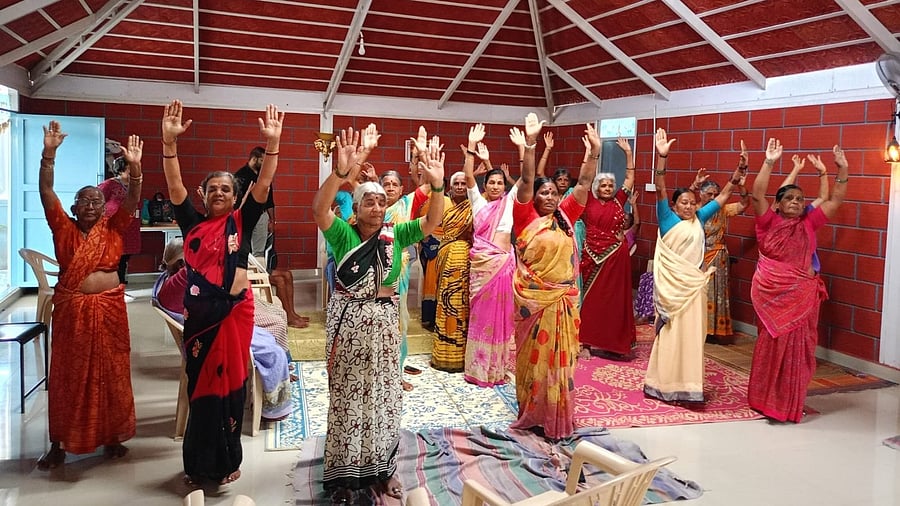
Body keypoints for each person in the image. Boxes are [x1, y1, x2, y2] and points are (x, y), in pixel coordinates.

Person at [312, 124, 446, 503]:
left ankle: (384, 470)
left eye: (380, 202)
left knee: (385, 398)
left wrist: (435, 187)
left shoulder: (395, 235)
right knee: (348, 399)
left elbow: (431, 223)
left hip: (385, 327)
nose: (375, 206)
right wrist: (339, 174)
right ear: (355, 209)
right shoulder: (342, 235)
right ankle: (342, 475)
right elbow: (319, 208)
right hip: (349, 328)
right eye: (368, 201)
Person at [161, 99, 284, 485]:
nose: (219, 192)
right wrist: (169, 145)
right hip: (201, 321)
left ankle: (229, 460)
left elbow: (263, 183)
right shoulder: (192, 223)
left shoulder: (241, 222)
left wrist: (274, 144)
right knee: (202, 393)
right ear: (204, 195)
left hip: (234, 316)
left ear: (235, 197)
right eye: (212, 188)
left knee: (232, 390)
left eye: (225, 189)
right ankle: (197, 466)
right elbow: (174, 184)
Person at [36, 123, 142, 469]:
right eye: (86, 200)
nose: (93, 205)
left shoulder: (114, 227)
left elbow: (133, 196)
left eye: (98, 201)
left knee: (111, 372)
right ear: (74, 206)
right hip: (74, 312)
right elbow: (46, 190)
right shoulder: (61, 227)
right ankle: (59, 444)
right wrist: (49, 154)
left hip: (109, 309)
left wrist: (136, 168)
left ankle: (111, 437)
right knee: (68, 376)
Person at [509, 114, 598, 440]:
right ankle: (531, 412)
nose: (548, 196)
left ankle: (557, 413)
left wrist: (593, 154)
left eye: (552, 192)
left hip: (563, 302)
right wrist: (531, 144)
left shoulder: (566, 216)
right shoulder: (525, 215)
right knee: (533, 362)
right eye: (542, 192)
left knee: (561, 364)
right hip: (534, 303)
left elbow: (585, 183)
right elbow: (526, 177)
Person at [748, 140, 849, 423]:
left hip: (802, 298)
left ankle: (787, 403)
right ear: (778, 204)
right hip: (772, 294)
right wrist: (769, 161)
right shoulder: (768, 222)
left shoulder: (808, 224)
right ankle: (762, 398)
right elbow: (757, 194)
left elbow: (835, 200)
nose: (794, 202)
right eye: (789, 198)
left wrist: (842, 169)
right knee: (770, 345)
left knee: (799, 350)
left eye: (799, 200)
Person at [644, 128, 743, 403]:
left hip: (693, 288)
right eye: (683, 203)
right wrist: (661, 158)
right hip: (673, 291)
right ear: (674, 206)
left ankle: (689, 385)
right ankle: (662, 383)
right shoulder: (667, 218)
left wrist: (735, 178)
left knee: (692, 337)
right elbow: (661, 187)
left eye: (691, 202)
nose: (688, 206)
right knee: (673, 335)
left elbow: (722, 198)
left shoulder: (699, 217)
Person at [153, 239, 292, 422]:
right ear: (182, 263)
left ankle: (267, 388)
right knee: (271, 350)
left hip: (212, 327)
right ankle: (271, 409)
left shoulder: (171, 280)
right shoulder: (178, 283)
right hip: (212, 339)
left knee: (268, 332)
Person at [461, 124, 517, 387]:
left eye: (499, 182)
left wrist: (524, 147)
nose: (495, 185)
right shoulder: (479, 203)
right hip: (482, 268)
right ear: (486, 185)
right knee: (481, 317)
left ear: (505, 186)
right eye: (491, 182)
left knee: (502, 317)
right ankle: (477, 368)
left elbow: (526, 180)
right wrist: (471, 148)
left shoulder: (509, 203)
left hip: (503, 266)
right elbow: (469, 179)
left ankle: (497, 369)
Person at [234, 146, 309, 329]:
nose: (265, 164)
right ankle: (289, 317)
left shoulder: (263, 177)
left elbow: (270, 200)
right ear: (254, 158)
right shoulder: (241, 177)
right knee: (281, 278)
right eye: (262, 160)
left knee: (288, 275)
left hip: (261, 227)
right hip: (251, 268)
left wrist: (272, 220)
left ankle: (291, 313)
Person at [578, 138, 636, 360]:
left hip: (616, 257)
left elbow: (630, 178)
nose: (608, 188)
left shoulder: (620, 201)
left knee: (614, 303)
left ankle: (614, 344)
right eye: (603, 185)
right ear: (596, 188)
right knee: (591, 301)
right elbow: (585, 177)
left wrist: (628, 153)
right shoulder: (589, 201)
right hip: (592, 257)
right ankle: (586, 343)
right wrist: (591, 152)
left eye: (610, 185)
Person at [688, 151, 751, 342]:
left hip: (718, 257)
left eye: (716, 194)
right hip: (697, 257)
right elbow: (678, 206)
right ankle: (696, 328)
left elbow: (744, 204)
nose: (713, 197)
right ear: (701, 194)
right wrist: (693, 184)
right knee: (698, 292)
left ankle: (714, 331)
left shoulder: (723, 209)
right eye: (709, 194)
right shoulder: (694, 209)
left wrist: (742, 186)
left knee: (717, 293)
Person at [381, 167, 430, 391]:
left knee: (398, 321)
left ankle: (396, 372)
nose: (390, 187)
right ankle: (376, 372)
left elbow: (429, 186)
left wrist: (425, 162)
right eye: (385, 184)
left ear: (401, 189)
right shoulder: (372, 206)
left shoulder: (406, 204)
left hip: (398, 270)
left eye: (394, 184)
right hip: (374, 271)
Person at [432, 167, 473, 372]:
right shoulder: (445, 205)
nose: (459, 187)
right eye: (456, 183)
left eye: (463, 183)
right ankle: (443, 352)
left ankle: (461, 353)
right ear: (450, 186)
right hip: (446, 256)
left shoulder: (474, 206)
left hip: (464, 261)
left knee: (461, 304)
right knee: (445, 303)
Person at [98, 153, 141, 285]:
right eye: (130, 168)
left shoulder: (134, 185)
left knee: (124, 257)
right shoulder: (109, 184)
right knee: (114, 257)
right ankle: (114, 285)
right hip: (114, 226)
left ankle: (120, 284)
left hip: (130, 227)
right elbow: (98, 200)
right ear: (121, 169)